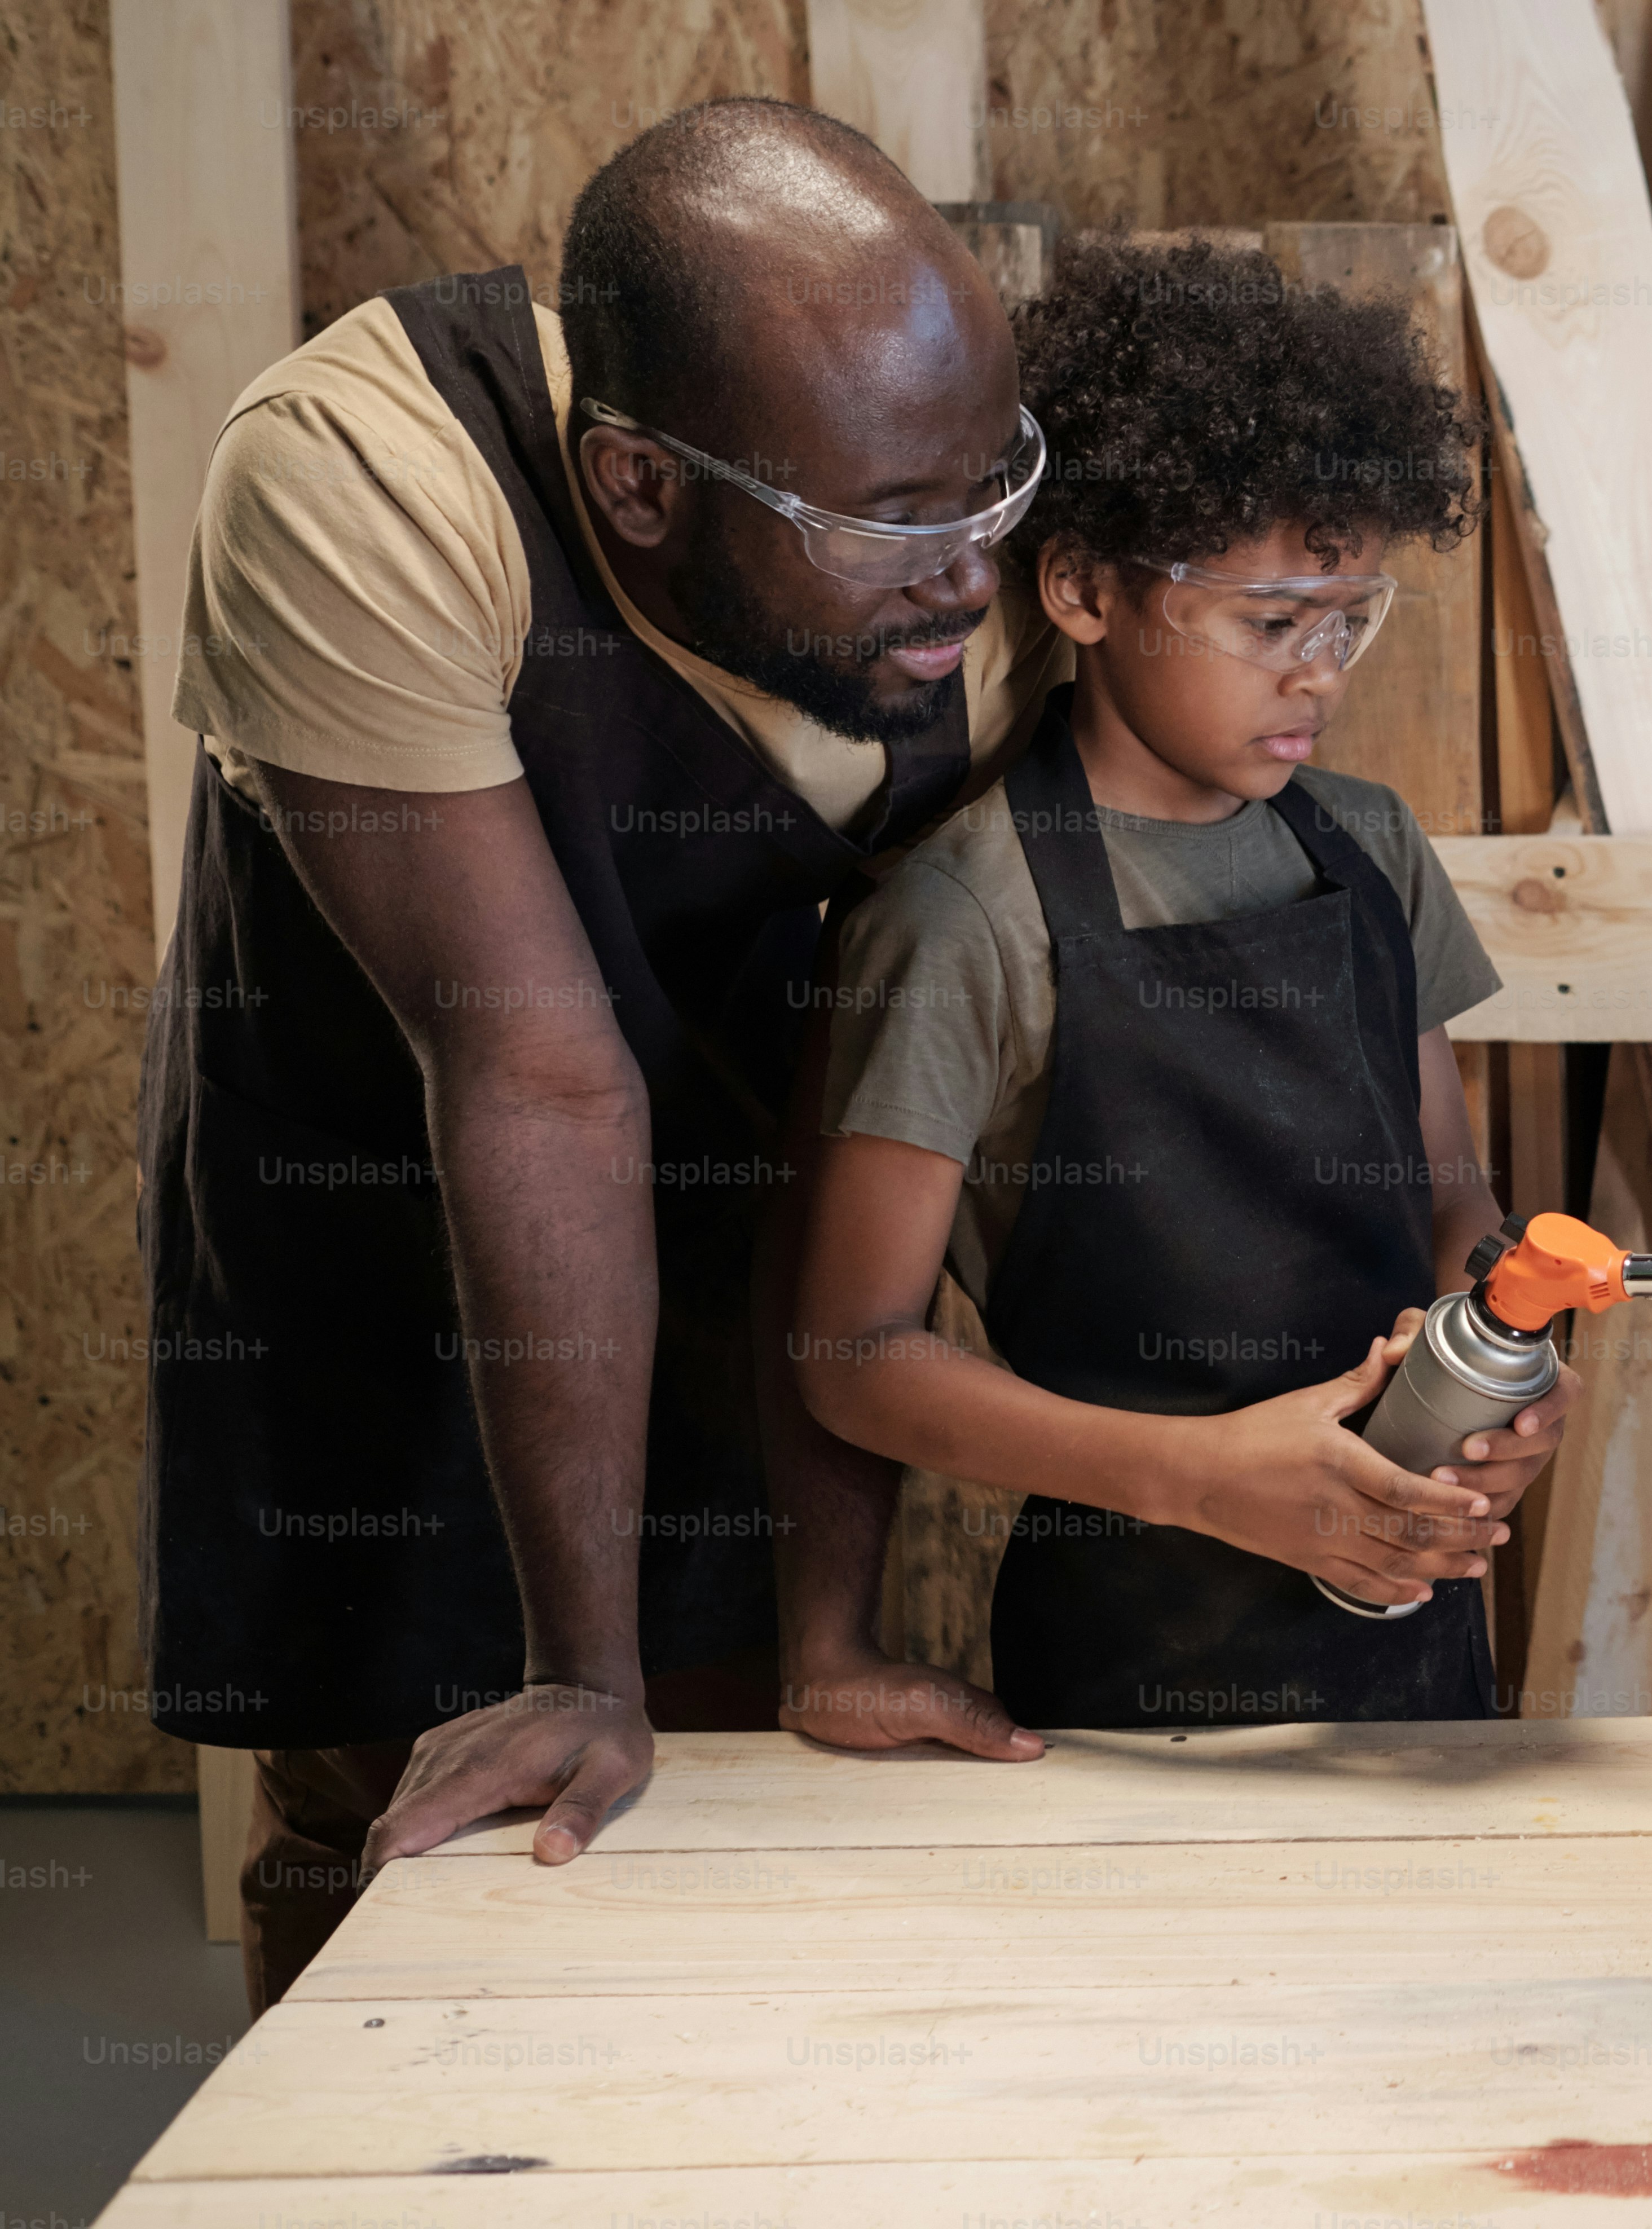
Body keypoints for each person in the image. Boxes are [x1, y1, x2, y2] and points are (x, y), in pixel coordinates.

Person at [138, 99, 1043, 2005]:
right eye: (888, 523)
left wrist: (831, 1627)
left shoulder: (949, 482)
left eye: (990, 488)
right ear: (638, 487)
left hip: (714, 1184)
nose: (969, 575)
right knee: (412, 1789)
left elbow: (844, 1071)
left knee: (709, 1813)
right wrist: (578, 1669)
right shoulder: (364, 475)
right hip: (393, 1166)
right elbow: (538, 1076)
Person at [777, 232, 1561, 1729]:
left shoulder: (1369, 852)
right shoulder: (970, 919)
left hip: (1409, 1632)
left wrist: (1493, 1362)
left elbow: (1452, 1196)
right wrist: (1201, 1478)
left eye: (1351, 620)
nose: (1321, 673)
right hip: (1131, 1667)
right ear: (1079, 587)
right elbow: (853, 1356)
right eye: (1274, 623)